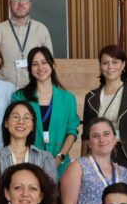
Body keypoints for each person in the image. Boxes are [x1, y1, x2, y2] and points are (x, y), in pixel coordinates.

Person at [82, 44, 127, 180]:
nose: (110, 67)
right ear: (100, 66)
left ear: (123, 65)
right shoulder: (91, 97)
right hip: (99, 153)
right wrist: (83, 162)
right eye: (105, 63)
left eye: (115, 62)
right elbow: (86, 135)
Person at [11, 46, 79, 177]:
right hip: (28, 164)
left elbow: (72, 131)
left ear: (53, 65)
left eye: (44, 62)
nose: (40, 68)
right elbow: (15, 131)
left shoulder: (68, 98)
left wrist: (60, 158)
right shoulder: (19, 97)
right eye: (35, 64)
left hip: (61, 167)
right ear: (30, 69)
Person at [0, 0, 53, 88]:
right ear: (10, 4)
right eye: (16, 0)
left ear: (30, 4)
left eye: (25, 0)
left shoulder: (41, 30)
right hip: (4, 92)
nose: (21, 4)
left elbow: (49, 63)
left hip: (34, 91)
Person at [0, 101, 59, 182]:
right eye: (15, 117)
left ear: (32, 125)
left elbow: (51, 192)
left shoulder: (45, 158)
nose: (21, 122)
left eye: (26, 118)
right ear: (6, 123)